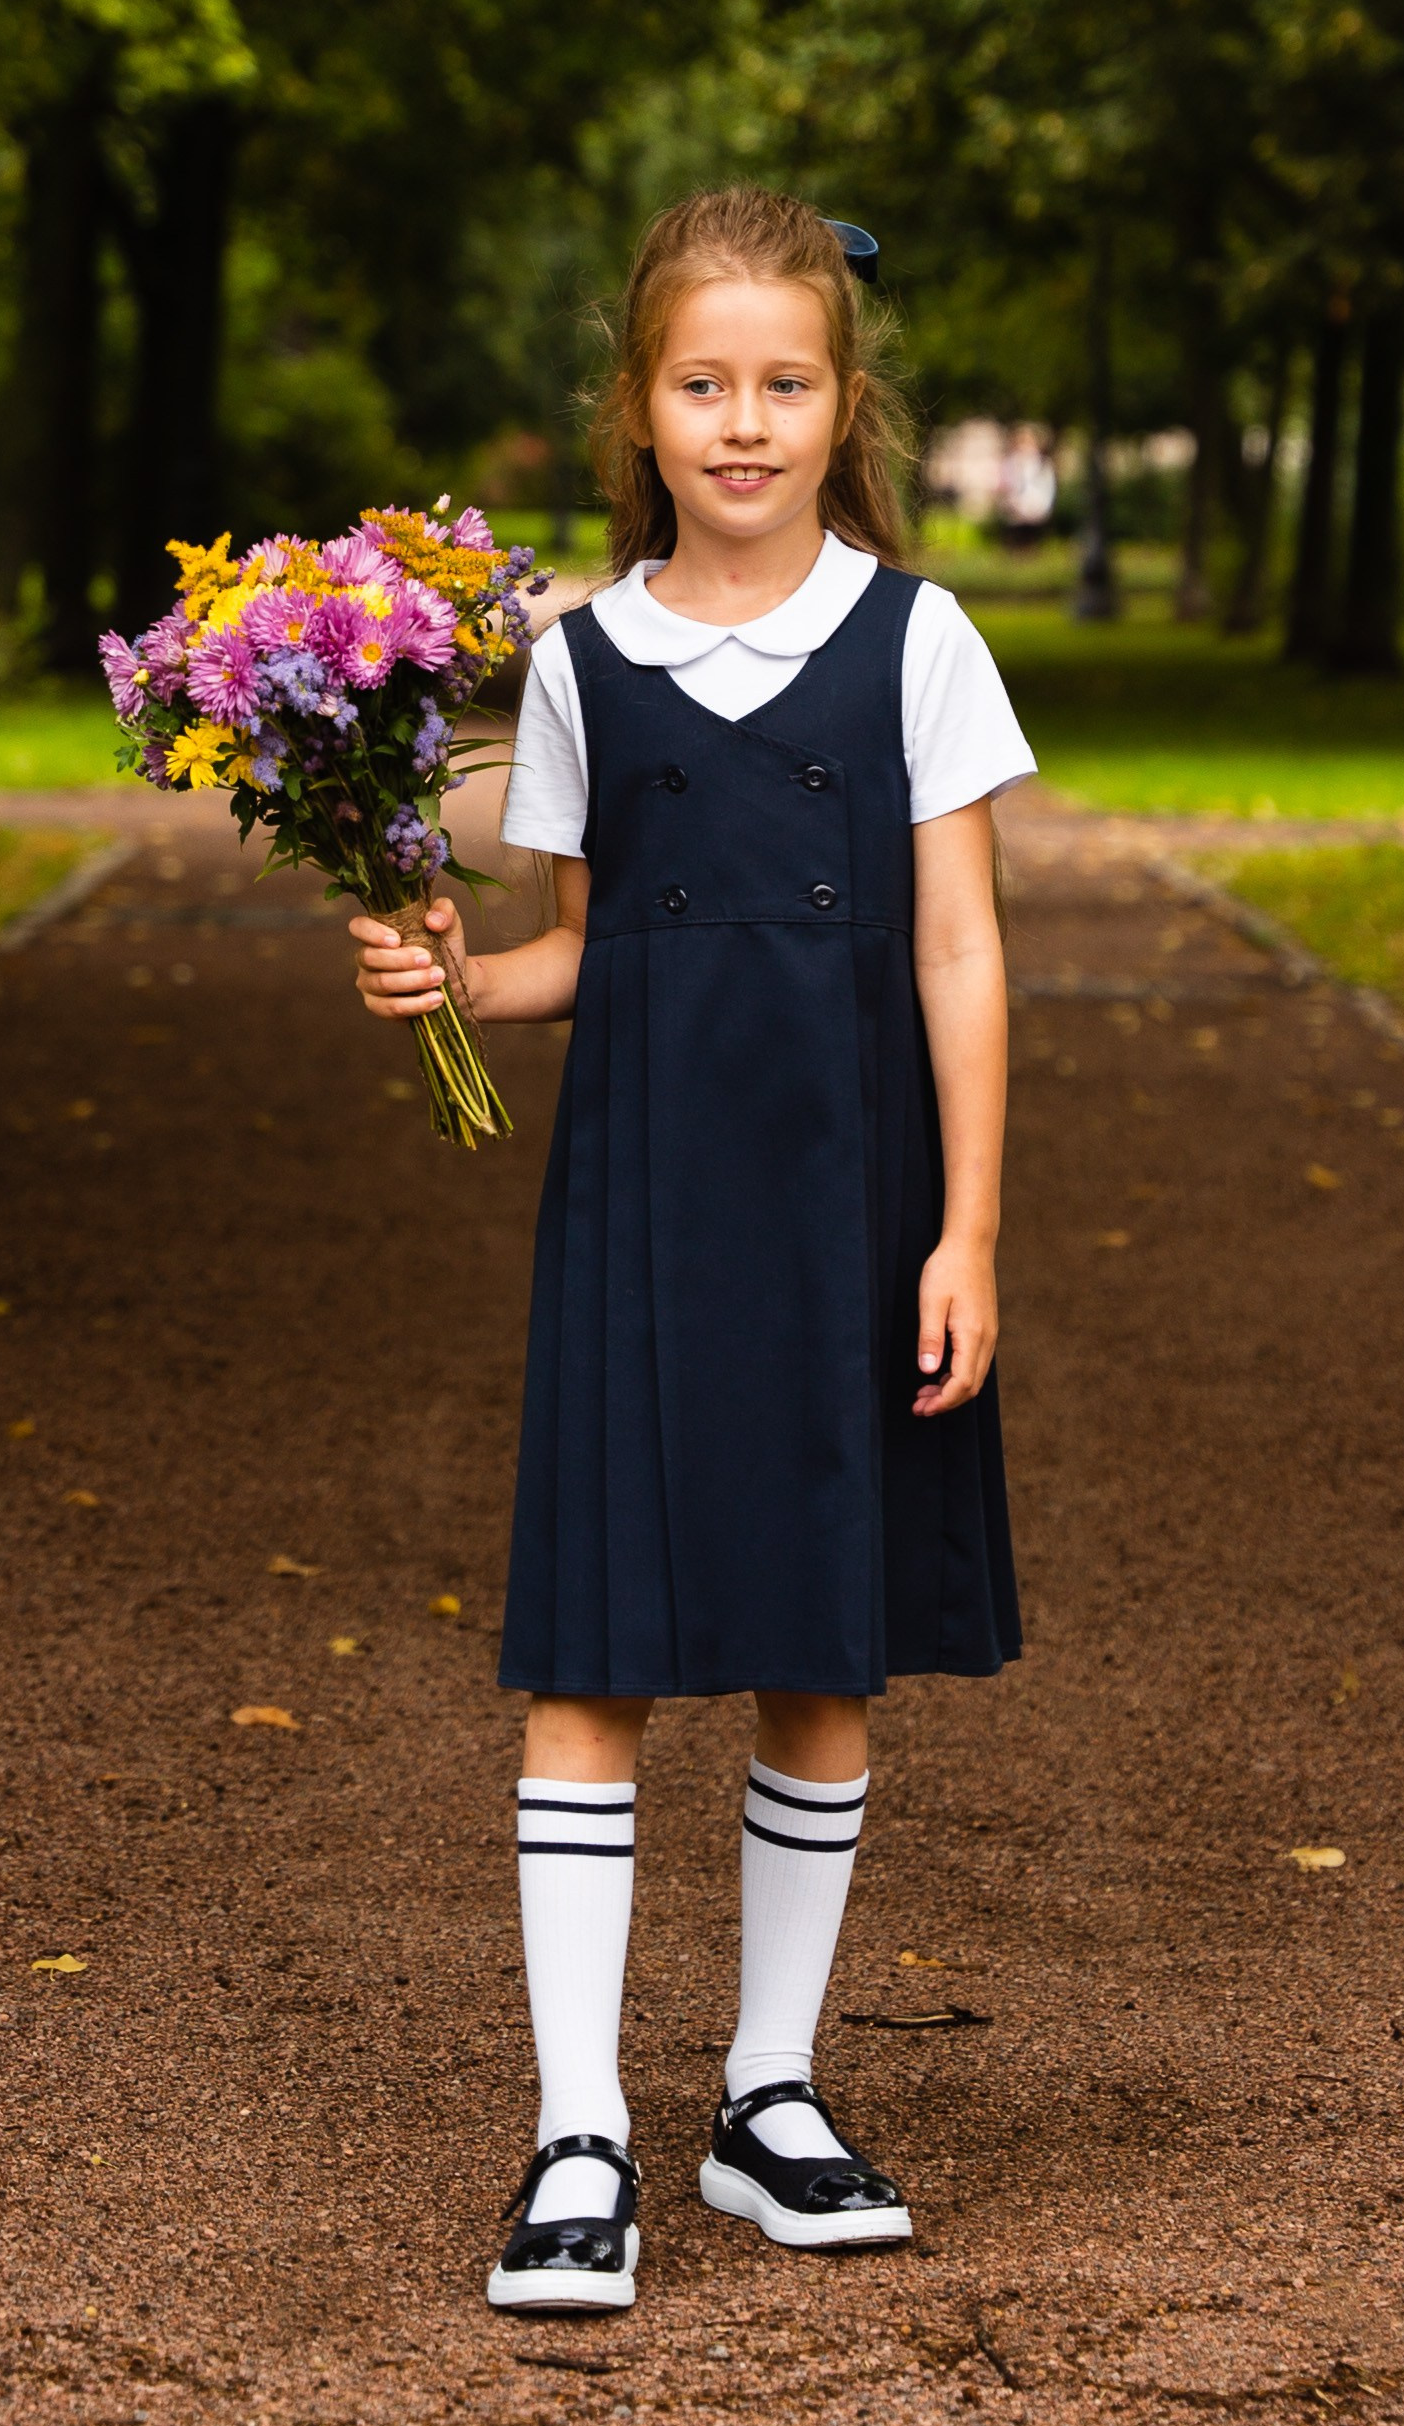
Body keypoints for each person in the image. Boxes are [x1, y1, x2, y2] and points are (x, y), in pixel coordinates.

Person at [350, 185, 1035, 2313]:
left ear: (847, 407)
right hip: (641, 1218)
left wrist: (969, 1231)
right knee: (597, 1659)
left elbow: (962, 949)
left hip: (852, 1218)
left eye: (786, 384)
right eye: (703, 382)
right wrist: (451, 977)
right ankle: (579, 2134)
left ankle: (769, 2094)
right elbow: (579, 951)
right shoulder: (574, 664)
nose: (744, 420)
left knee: (821, 1656)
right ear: (637, 408)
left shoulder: (918, 638)